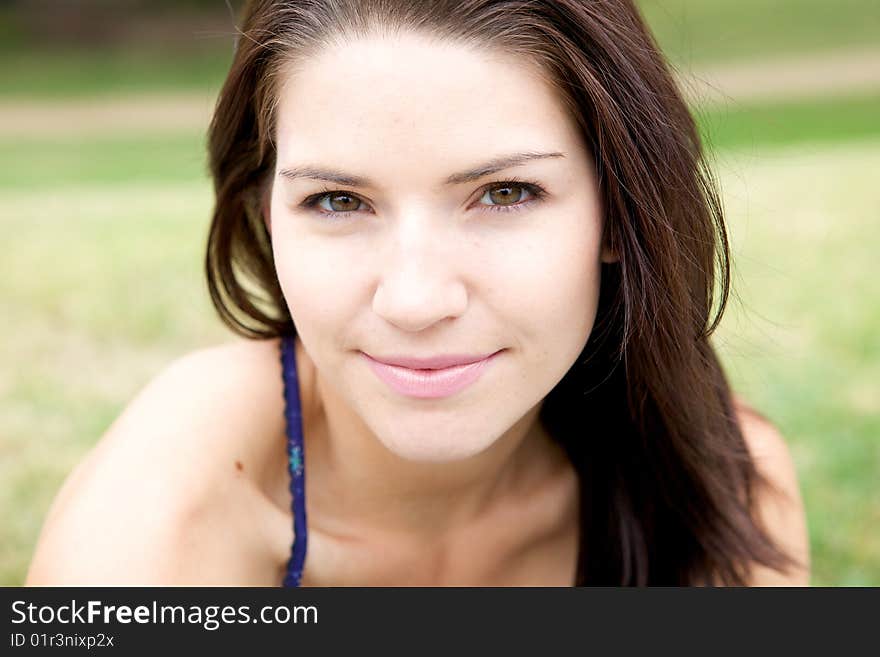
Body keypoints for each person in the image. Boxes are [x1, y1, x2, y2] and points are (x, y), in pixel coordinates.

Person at [26, 0, 809, 586]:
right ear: (265, 216)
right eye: (338, 201)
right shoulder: (153, 535)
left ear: (618, 211)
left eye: (505, 193)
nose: (414, 299)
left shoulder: (716, 499)